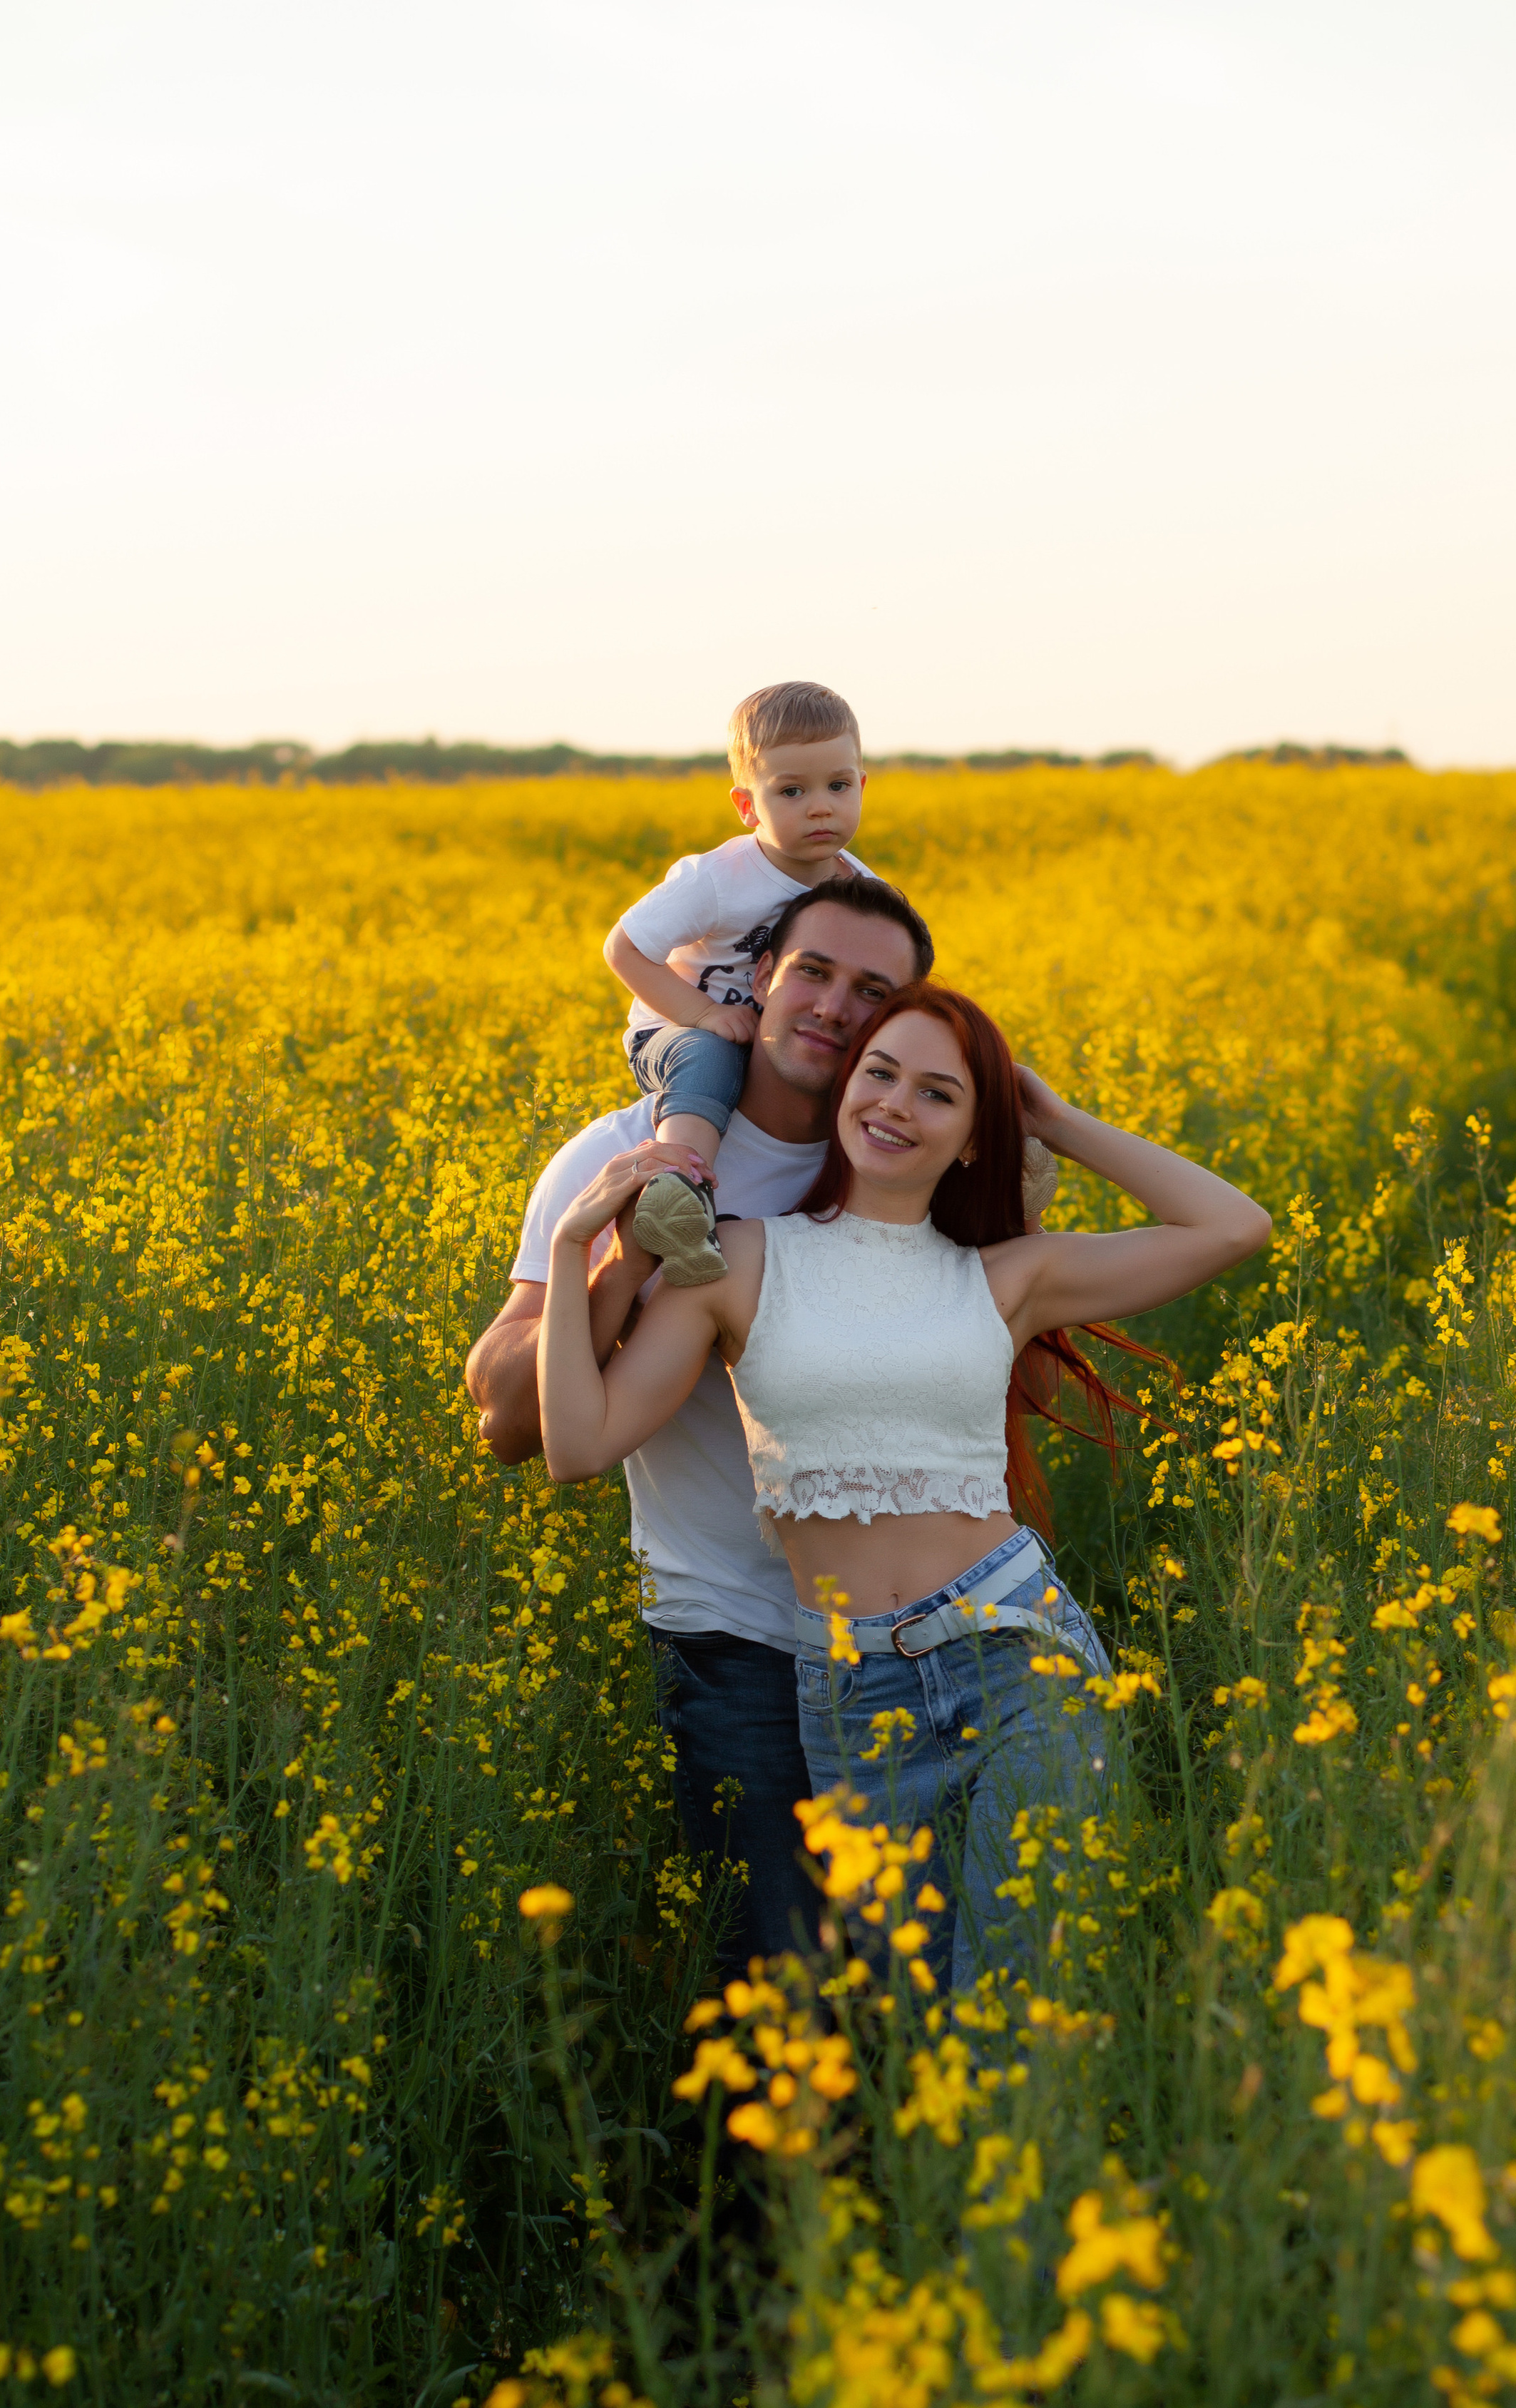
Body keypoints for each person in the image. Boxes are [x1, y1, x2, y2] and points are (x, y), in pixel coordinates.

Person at [534, 980, 1273, 1993]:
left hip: (1016, 1656)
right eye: (878, 1074)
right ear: (845, 1090)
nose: (893, 1104)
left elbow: (1233, 1227)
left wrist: (1052, 1118)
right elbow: (578, 1444)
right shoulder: (737, 1259)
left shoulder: (1007, 1277)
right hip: (850, 1693)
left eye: (938, 1094)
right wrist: (577, 1245)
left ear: (974, 1138)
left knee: (1017, 2015)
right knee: (916, 2036)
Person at [466, 872, 934, 1973]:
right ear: (760, 979)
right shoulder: (620, 1149)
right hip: (737, 1640)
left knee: (915, 1997)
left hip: (917, 1641)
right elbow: (504, 1418)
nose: (830, 1005)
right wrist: (627, 1262)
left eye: (872, 991)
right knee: (776, 1994)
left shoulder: (903, 1152)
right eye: (812, 971)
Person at [601, 681, 872, 1288]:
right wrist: (701, 1014)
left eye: (838, 785)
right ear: (747, 806)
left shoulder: (863, 888)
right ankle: (679, 1192)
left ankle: (984, 1155)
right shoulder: (718, 879)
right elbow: (624, 948)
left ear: (862, 785)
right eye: (792, 792)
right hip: (676, 1031)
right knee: (712, 1057)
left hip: (783, 1039)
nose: (821, 806)